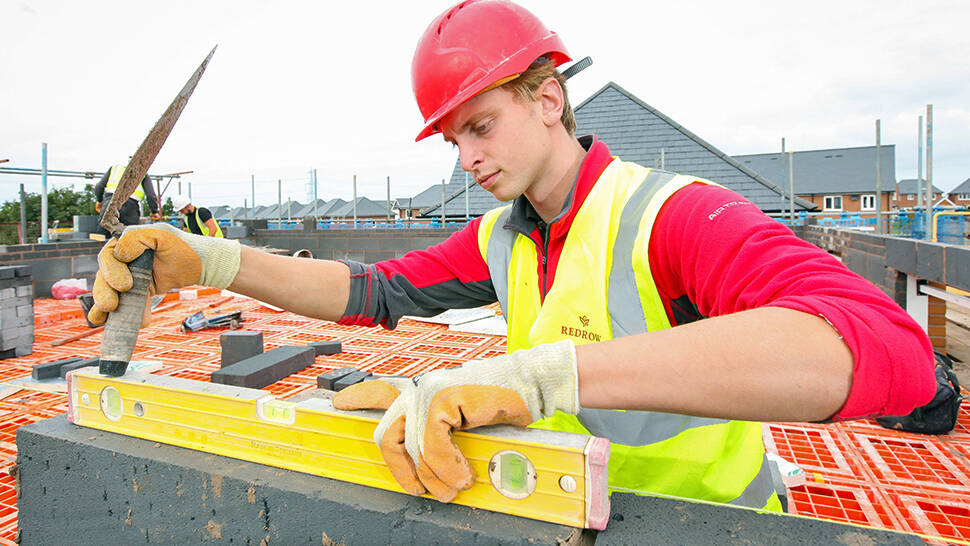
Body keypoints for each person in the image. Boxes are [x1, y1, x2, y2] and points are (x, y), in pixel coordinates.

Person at [89, 0, 935, 511]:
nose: (467, 157)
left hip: (708, 523)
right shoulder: (505, 235)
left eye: (482, 126)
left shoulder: (673, 217)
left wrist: (534, 378)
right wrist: (209, 261)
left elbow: (894, 351)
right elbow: (370, 290)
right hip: (571, 506)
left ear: (550, 99)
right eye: (456, 138)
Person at [93, 162, 160, 236]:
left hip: (109, 205)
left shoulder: (115, 169)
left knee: (103, 240)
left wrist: (99, 201)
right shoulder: (143, 174)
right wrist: (154, 211)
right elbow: (151, 196)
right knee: (129, 239)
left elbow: (99, 187)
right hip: (130, 210)